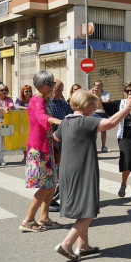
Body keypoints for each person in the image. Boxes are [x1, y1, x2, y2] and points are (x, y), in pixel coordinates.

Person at [53, 89, 131, 262]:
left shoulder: (66, 121)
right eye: (92, 104)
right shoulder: (84, 121)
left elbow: (56, 137)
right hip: (82, 168)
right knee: (89, 209)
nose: (94, 108)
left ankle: (83, 245)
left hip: (66, 169)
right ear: (84, 105)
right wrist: (128, 107)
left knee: (83, 206)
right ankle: (67, 244)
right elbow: (110, 123)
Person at [19, 71, 62, 232]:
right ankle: (28, 220)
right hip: (39, 148)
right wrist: (55, 120)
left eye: (53, 84)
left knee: (51, 184)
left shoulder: (45, 99)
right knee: (45, 185)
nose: (53, 86)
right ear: (41, 85)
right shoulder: (36, 100)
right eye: (50, 84)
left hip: (47, 145)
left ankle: (44, 217)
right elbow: (41, 116)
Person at [98, 82, 131, 200]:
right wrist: (98, 94)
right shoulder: (120, 104)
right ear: (124, 92)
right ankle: (123, 184)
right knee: (126, 160)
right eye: (127, 91)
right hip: (125, 138)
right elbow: (102, 106)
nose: (129, 93)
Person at [48, 79, 74, 212]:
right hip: (51, 141)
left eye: (61, 90)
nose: (60, 92)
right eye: (58, 90)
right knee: (56, 172)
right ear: (51, 89)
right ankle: (50, 199)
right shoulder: (47, 104)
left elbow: (72, 116)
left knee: (63, 172)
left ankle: (59, 197)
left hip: (64, 141)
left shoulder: (64, 104)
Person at [0, 84, 15, 166]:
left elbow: (12, 106)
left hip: (5, 120)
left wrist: (10, 107)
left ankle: (1, 159)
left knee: (4, 142)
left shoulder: (9, 99)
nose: (4, 92)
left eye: (6, 90)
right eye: (2, 90)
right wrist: (3, 108)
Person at [93, 80, 111, 152]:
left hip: (104, 114)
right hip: (95, 114)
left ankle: (103, 146)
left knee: (103, 131)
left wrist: (99, 104)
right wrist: (101, 104)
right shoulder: (92, 93)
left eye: (99, 85)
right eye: (96, 85)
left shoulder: (106, 93)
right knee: (95, 131)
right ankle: (94, 147)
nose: (97, 87)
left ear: (102, 85)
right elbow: (93, 104)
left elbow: (108, 102)